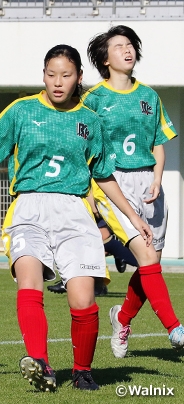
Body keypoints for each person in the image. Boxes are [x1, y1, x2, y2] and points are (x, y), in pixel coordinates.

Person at [0, 45, 153, 392]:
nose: (57, 82)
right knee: (29, 278)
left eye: (66, 75)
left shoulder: (90, 121)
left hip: (75, 210)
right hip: (28, 207)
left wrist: (133, 217)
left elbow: (104, 175)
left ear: (78, 78)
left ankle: (82, 371)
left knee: (83, 300)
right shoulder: (21, 110)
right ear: (43, 74)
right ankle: (41, 364)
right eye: (51, 74)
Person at [84, 25, 184, 358]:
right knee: (145, 256)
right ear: (104, 58)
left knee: (149, 263)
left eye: (130, 45)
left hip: (149, 186)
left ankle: (122, 317)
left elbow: (158, 143)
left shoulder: (149, 96)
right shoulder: (93, 100)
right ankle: (175, 327)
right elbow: (86, 149)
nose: (127, 51)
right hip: (112, 185)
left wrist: (157, 179)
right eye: (119, 46)